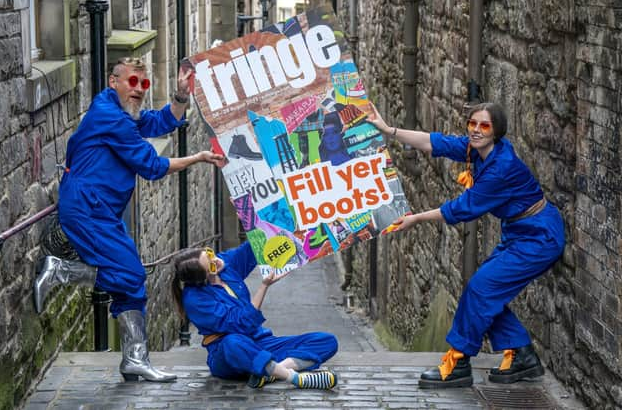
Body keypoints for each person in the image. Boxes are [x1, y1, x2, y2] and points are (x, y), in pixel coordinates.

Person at [33, 57, 225, 382]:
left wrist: (180, 95)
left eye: (143, 84)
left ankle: (135, 359)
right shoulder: (112, 117)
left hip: (102, 210)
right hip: (87, 208)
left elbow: (159, 122)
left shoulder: (118, 111)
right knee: (132, 274)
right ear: (114, 81)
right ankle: (60, 271)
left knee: (129, 284)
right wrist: (200, 157)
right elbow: (151, 166)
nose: (138, 90)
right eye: (132, 82)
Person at [370, 102, 565, 388]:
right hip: (519, 232)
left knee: (481, 289)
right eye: (472, 124)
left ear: (496, 131)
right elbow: (434, 142)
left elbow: (463, 208)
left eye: (484, 126)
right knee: (485, 292)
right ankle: (522, 354)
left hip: (539, 237)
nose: (475, 130)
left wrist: (416, 218)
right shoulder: (479, 150)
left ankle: (458, 362)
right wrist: (389, 130)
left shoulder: (501, 168)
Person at [171, 242, 339, 390]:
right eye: (211, 266)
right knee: (233, 342)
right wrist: (264, 286)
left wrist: (266, 218)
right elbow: (243, 323)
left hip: (260, 342)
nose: (215, 260)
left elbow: (253, 247)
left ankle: (271, 371)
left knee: (326, 341)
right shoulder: (195, 299)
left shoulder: (224, 265)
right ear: (202, 279)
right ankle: (295, 378)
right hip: (228, 353)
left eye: (209, 253)